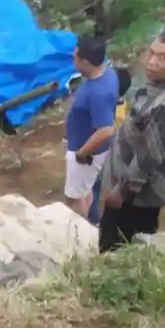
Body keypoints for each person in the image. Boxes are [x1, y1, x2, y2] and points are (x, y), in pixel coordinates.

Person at [98, 32, 165, 252]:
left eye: (163, 58)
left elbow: (149, 157)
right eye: (152, 53)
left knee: (117, 250)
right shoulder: (162, 85)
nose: (151, 62)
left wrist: (121, 192)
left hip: (136, 197)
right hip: (129, 189)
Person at [64, 37, 119, 219]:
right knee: (85, 189)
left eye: (75, 59)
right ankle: (90, 219)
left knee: (74, 199)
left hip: (85, 153)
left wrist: (82, 152)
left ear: (86, 62)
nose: (74, 62)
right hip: (87, 146)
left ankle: (79, 232)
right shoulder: (107, 73)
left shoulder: (98, 93)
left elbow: (106, 129)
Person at [86, 66, 133, 225]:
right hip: (110, 153)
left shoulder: (108, 109)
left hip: (98, 152)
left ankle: (90, 219)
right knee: (96, 186)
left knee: (90, 187)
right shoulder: (121, 105)